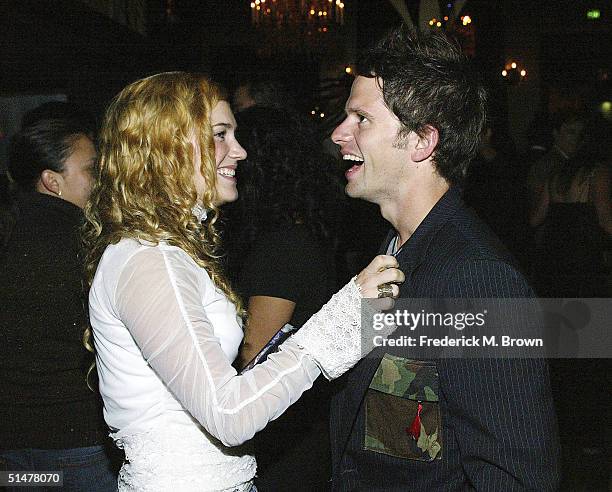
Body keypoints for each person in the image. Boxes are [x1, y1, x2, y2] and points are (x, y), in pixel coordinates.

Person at [83, 72, 402, 492]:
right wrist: (341, 320)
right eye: (220, 134)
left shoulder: (163, 252)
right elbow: (228, 414)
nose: (239, 151)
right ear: (164, 146)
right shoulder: (149, 259)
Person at [329, 27, 560, 490]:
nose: (339, 133)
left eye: (361, 119)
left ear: (422, 141)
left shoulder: (477, 280)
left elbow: (516, 478)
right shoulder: (393, 248)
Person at [224, 106, 342, 490]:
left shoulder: (283, 246)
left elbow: (254, 354)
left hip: (284, 435)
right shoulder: (293, 232)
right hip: (293, 425)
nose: (230, 155)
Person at [0, 115, 118, 491]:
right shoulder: (85, 244)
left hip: (12, 447)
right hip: (76, 445)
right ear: (52, 181)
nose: (102, 181)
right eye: (91, 171)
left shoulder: (10, 233)